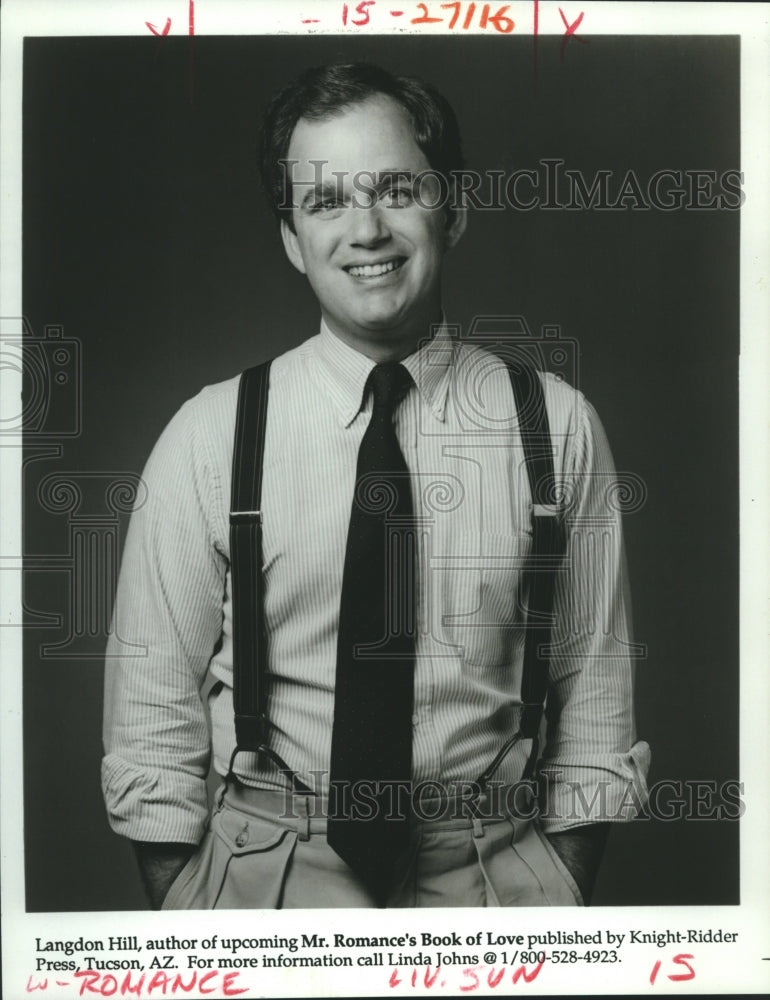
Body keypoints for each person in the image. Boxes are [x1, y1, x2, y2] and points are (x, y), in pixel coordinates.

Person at [102, 62, 650, 910]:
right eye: (325, 202)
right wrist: (190, 915)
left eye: (396, 188)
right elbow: (150, 718)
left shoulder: (559, 425)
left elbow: (596, 698)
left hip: (492, 874)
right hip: (265, 879)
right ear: (291, 238)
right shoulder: (209, 435)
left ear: (454, 208)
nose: (366, 229)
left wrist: (557, 889)